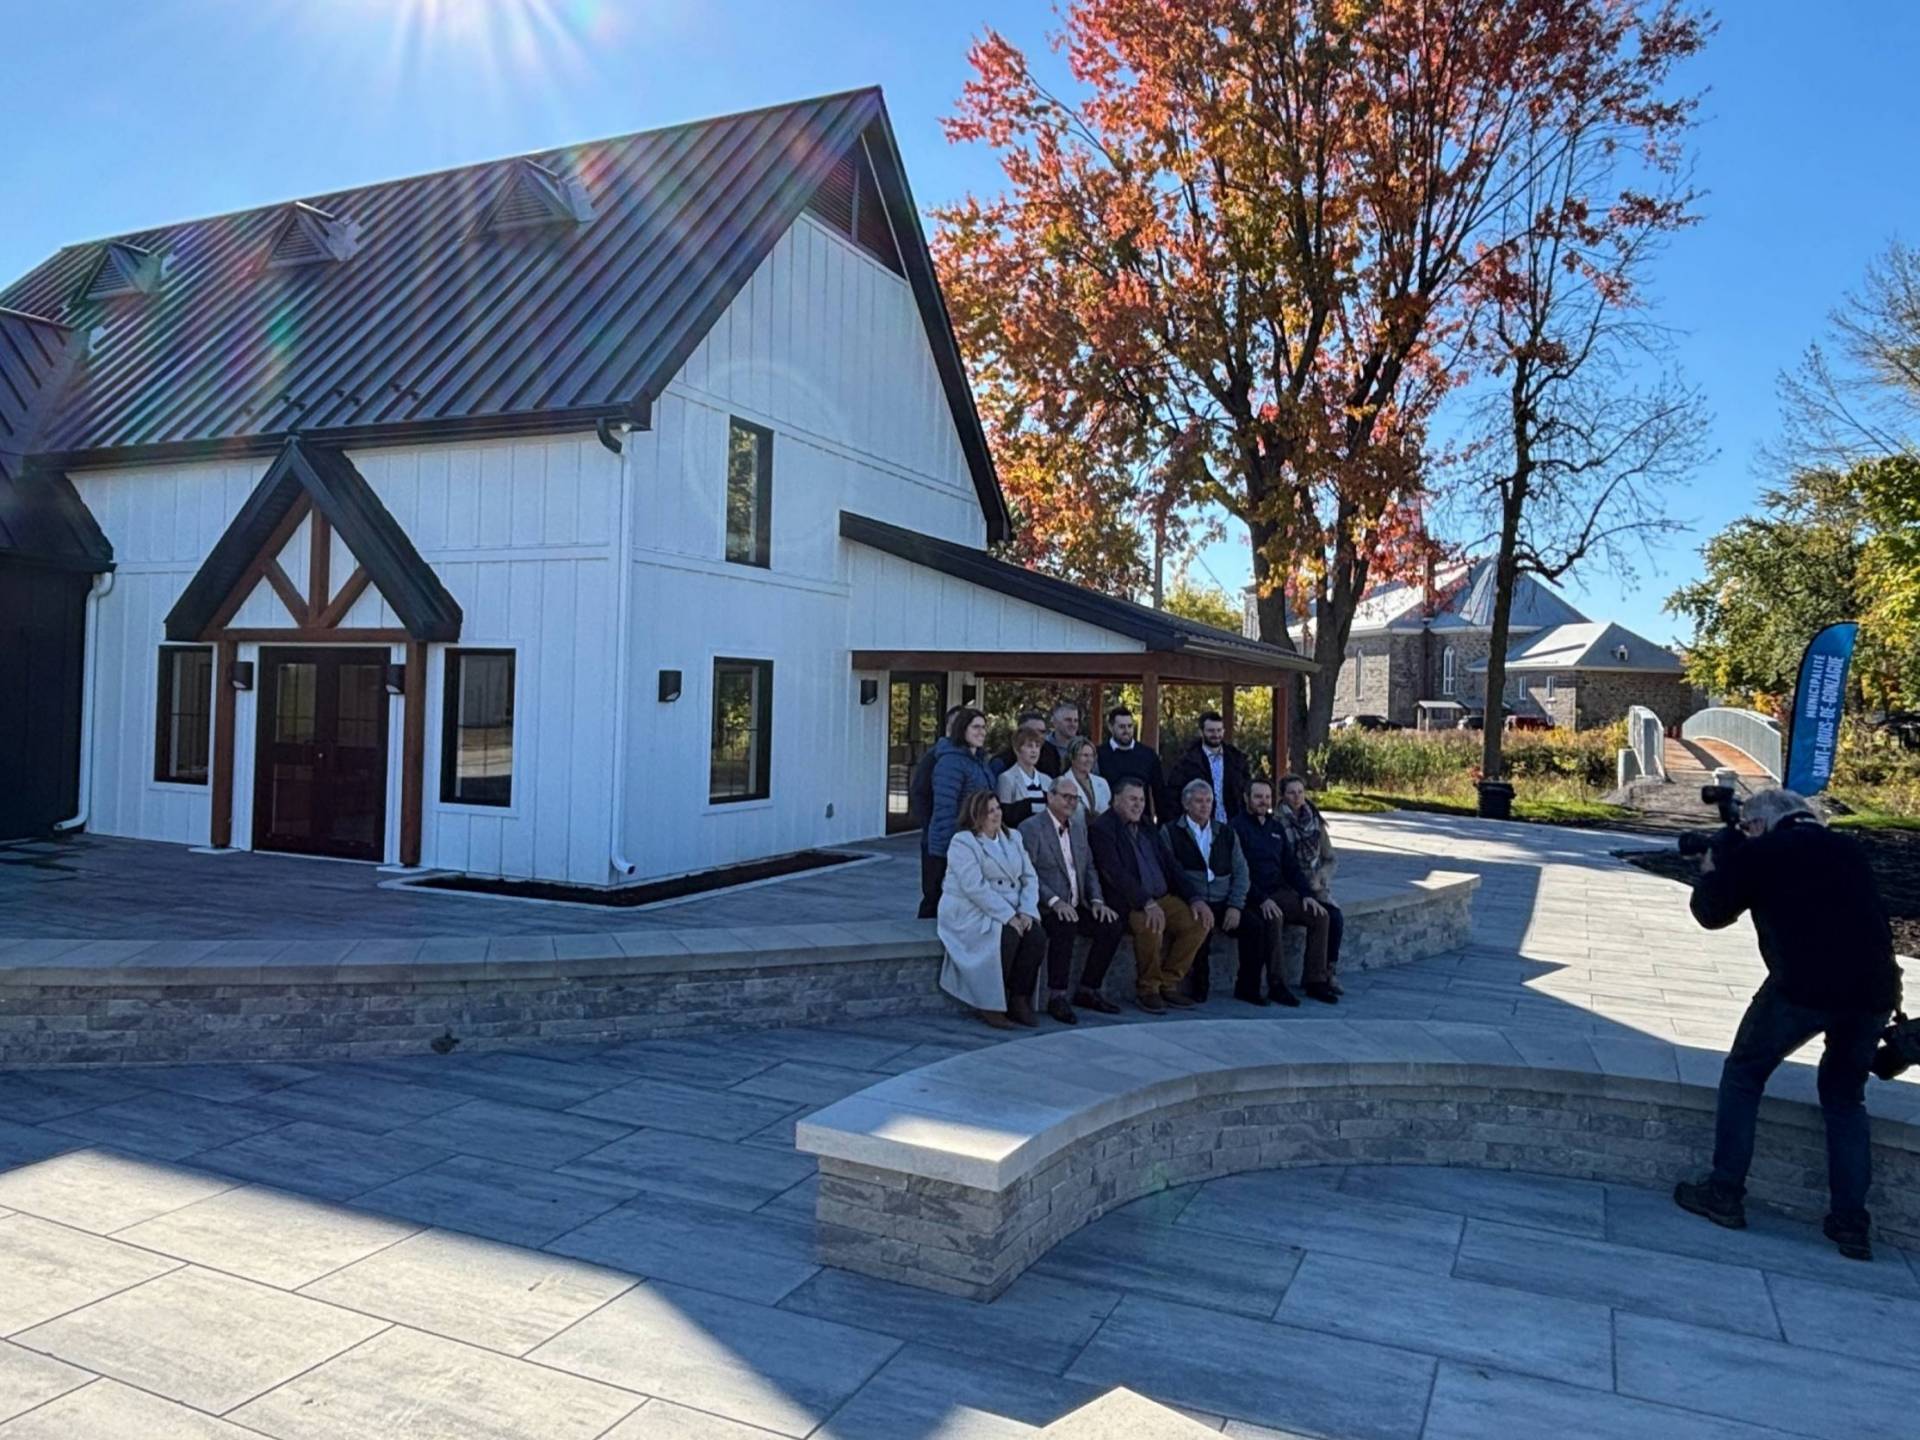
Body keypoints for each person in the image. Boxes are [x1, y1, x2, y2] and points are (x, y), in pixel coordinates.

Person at [1673, 787, 1902, 1261]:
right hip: (1874, 992)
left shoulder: (1763, 852)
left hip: (1802, 987)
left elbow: (1710, 915)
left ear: (1756, 825)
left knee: (1743, 1074)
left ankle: (1725, 1193)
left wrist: (1715, 867)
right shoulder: (1848, 847)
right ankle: (1850, 1223)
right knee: (1844, 1097)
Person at [1088, 776, 1209, 1015]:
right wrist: (1146, 902)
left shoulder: (1146, 826)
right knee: (1152, 924)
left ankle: (1169, 982)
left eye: (1142, 800)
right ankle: (1148, 989)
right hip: (1131, 903)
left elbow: (1171, 865)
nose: (1138, 805)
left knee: (1199, 922)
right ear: (1116, 800)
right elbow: (1115, 873)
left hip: (1161, 898)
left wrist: (1195, 898)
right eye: (1132, 799)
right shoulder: (1103, 828)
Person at [1019, 775, 1126, 1022]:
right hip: (1046, 907)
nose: (1071, 802)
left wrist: (1098, 901)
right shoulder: (1031, 828)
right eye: (1065, 797)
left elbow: (1088, 867)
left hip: (1079, 904)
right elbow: (1028, 873)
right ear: (1050, 796)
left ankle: (1089, 989)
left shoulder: (1078, 828)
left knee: (1112, 925)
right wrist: (1055, 901)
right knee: (1063, 927)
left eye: (1075, 798)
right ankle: (1057, 996)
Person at [938, 791, 1047, 1029]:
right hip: (970, 908)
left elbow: (1030, 877)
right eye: (989, 811)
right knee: (1004, 936)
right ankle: (989, 1003)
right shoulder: (963, 842)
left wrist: (1026, 910)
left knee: (1036, 936)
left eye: (997, 808)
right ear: (976, 815)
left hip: (1012, 905)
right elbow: (974, 887)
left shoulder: (1013, 837)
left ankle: (1019, 998)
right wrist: (1008, 916)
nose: (996, 814)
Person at [1232, 777, 1325, 1007]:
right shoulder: (1235, 828)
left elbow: (1291, 867)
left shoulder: (1276, 828)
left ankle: (1316, 980)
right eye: (1257, 797)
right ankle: (1277, 985)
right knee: (1274, 918)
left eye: (1266, 797)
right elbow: (1235, 872)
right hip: (1251, 895)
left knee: (1320, 916)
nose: (1263, 802)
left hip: (1279, 891)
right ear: (1246, 799)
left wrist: (1306, 894)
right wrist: (1260, 899)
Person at [1160, 780, 1247, 1004]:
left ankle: (1251, 985)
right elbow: (1170, 872)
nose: (1204, 806)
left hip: (1223, 899)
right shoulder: (1171, 831)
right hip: (1191, 899)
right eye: (1198, 801)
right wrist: (1191, 899)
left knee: (1257, 926)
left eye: (1208, 801)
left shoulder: (1226, 833)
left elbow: (1241, 871)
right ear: (1186, 804)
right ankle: (1199, 986)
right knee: (1200, 925)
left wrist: (1235, 905)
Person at [922, 708, 995, 920]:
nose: (981, 732)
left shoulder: (979, 761)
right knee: (938, 901)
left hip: (975, 841)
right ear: (962, 729)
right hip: (952, 845)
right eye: (976, 727)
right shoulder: (950, 762)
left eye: (983, 727)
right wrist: (951, 848)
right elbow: (945, 809)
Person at [1276, 774, 1343, 1002]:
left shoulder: (1315, 822)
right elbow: (1282, 863)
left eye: (1300, 792)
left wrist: (1321, 877)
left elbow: (1330, 858)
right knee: (1320, 915)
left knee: (1336, 917)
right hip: (1291, 886)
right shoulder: (1278, 823)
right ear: (1283, 796)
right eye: (1291, 793)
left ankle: (1327, 972)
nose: (1297, 797)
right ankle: (1313, 979)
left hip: (1316, 884)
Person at [910, 705, 966, 919]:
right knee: (933, 891)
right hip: (936, 836)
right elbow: (918, 793)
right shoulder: (935, 756)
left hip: (964, 835)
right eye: (955, 725)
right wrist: (930, 825)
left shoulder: (976, 758)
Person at [1164, 712, 1253, 823]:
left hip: (1232, 823)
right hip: (1199, 825)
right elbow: (1174, 795)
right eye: (1211, 731)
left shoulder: (1237, 760)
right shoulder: (1187, 762)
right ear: (1201, 732)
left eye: (1219, 730)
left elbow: (1246, 790)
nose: (1216, 735)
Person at [1097, 705, 1166, 826]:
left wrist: (1161, 824)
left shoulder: (1148, 755)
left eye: (1129, 726)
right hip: (1109, 823)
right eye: (1122, 727)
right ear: (1110, 727)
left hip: (1141, 824)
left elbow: (1159, 792)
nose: (1126, 731)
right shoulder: (1100, 755)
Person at [995, 731, 1052, 831]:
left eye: (1037, 746)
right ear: (1017, 750)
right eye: (1029, 746)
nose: (1034, 751)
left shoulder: (1047, 780)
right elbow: (1006, 816)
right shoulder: (1006, 778)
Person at [990, 712, 1062, 781]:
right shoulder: (1001, 762)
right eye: (1032, 732)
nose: (1038, 736)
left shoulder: (1051, 753)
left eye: (1042, 732)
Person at [1062, 737, 1111, 823]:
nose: (1089, 760)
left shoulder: (1102, 782)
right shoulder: (1061, 783)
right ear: (1072, 758)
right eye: (1085, 755)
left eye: (1092, 756)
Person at [1043, 701, 1082, 772]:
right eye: (1068, 720)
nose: (1073, 724)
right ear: (1055, 722)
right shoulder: (1042, 747)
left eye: (1076, 721)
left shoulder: (1084, 747)